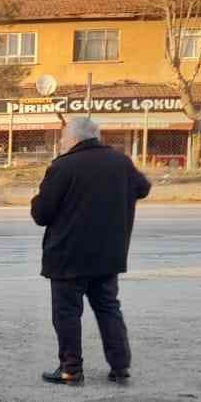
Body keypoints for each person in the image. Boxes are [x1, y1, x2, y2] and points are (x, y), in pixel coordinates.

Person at [29, 115, 152, 385]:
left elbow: (41, 213)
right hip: (108, 254)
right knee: (108, 308)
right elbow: (143, 188)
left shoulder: (63, 167)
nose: (61, 142)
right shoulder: (120, 161)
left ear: (74, 138)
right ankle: (120, 366)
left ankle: (71, 369)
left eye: (63, 137)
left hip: (68, 256)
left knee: (67, 313)